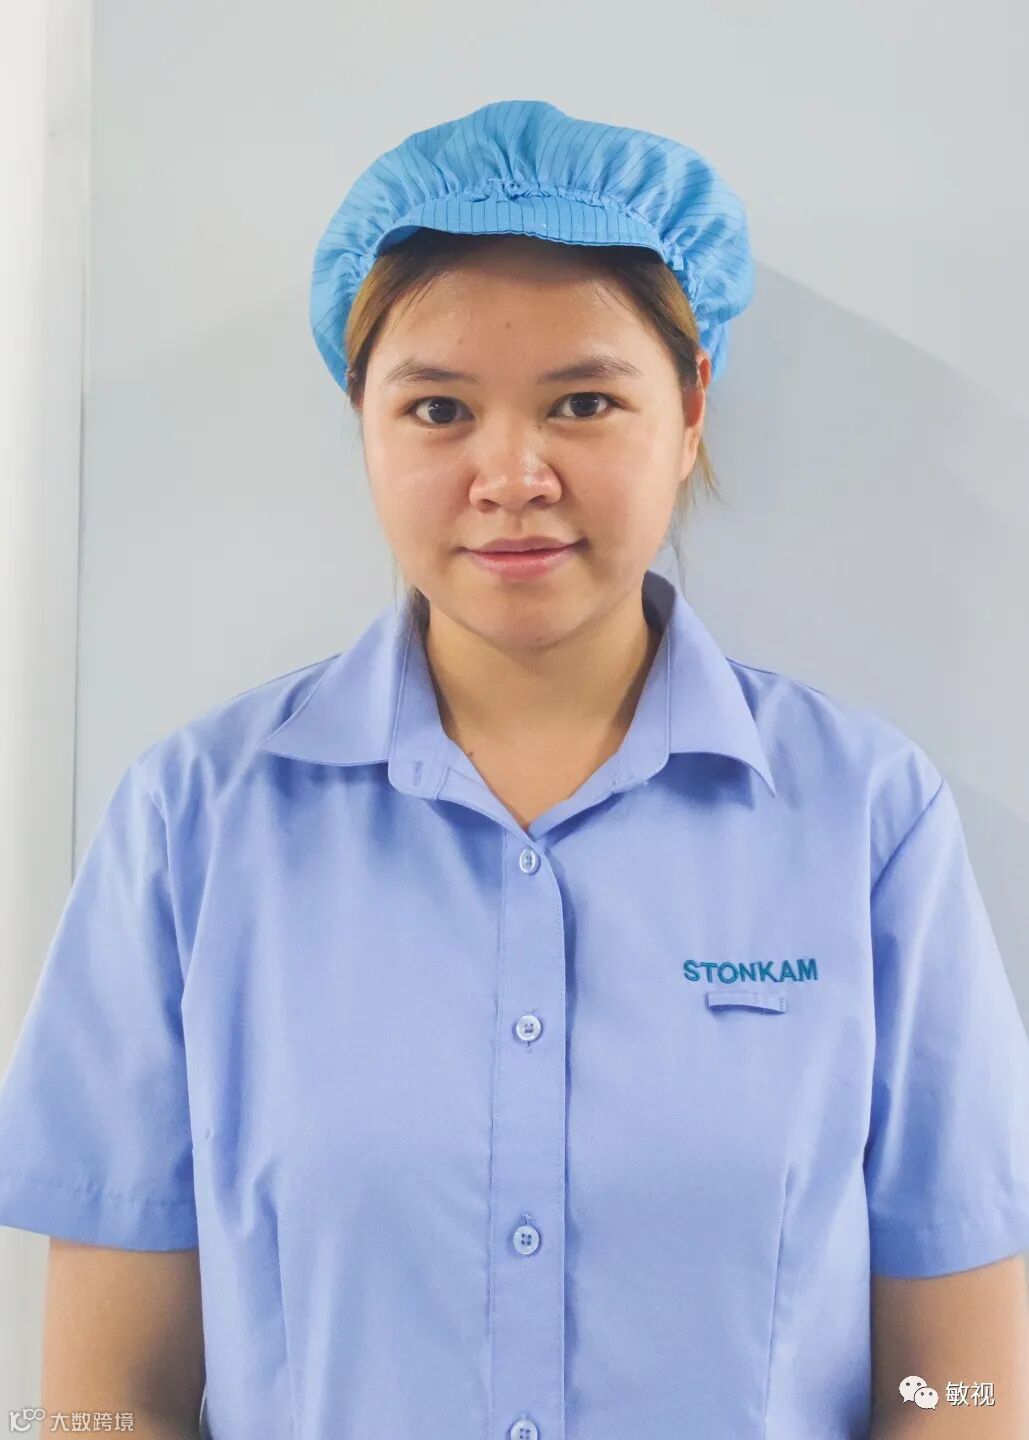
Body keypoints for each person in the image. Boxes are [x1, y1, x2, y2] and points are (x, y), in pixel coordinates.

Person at [0, 98, 1027, 1440]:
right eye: (437, 409)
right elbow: (104, 1403)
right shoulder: (194, 822)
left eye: (583, 402)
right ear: (363, 422)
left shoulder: (865, 819)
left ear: (690, 409)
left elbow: (963, 1387)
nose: (511, 476)